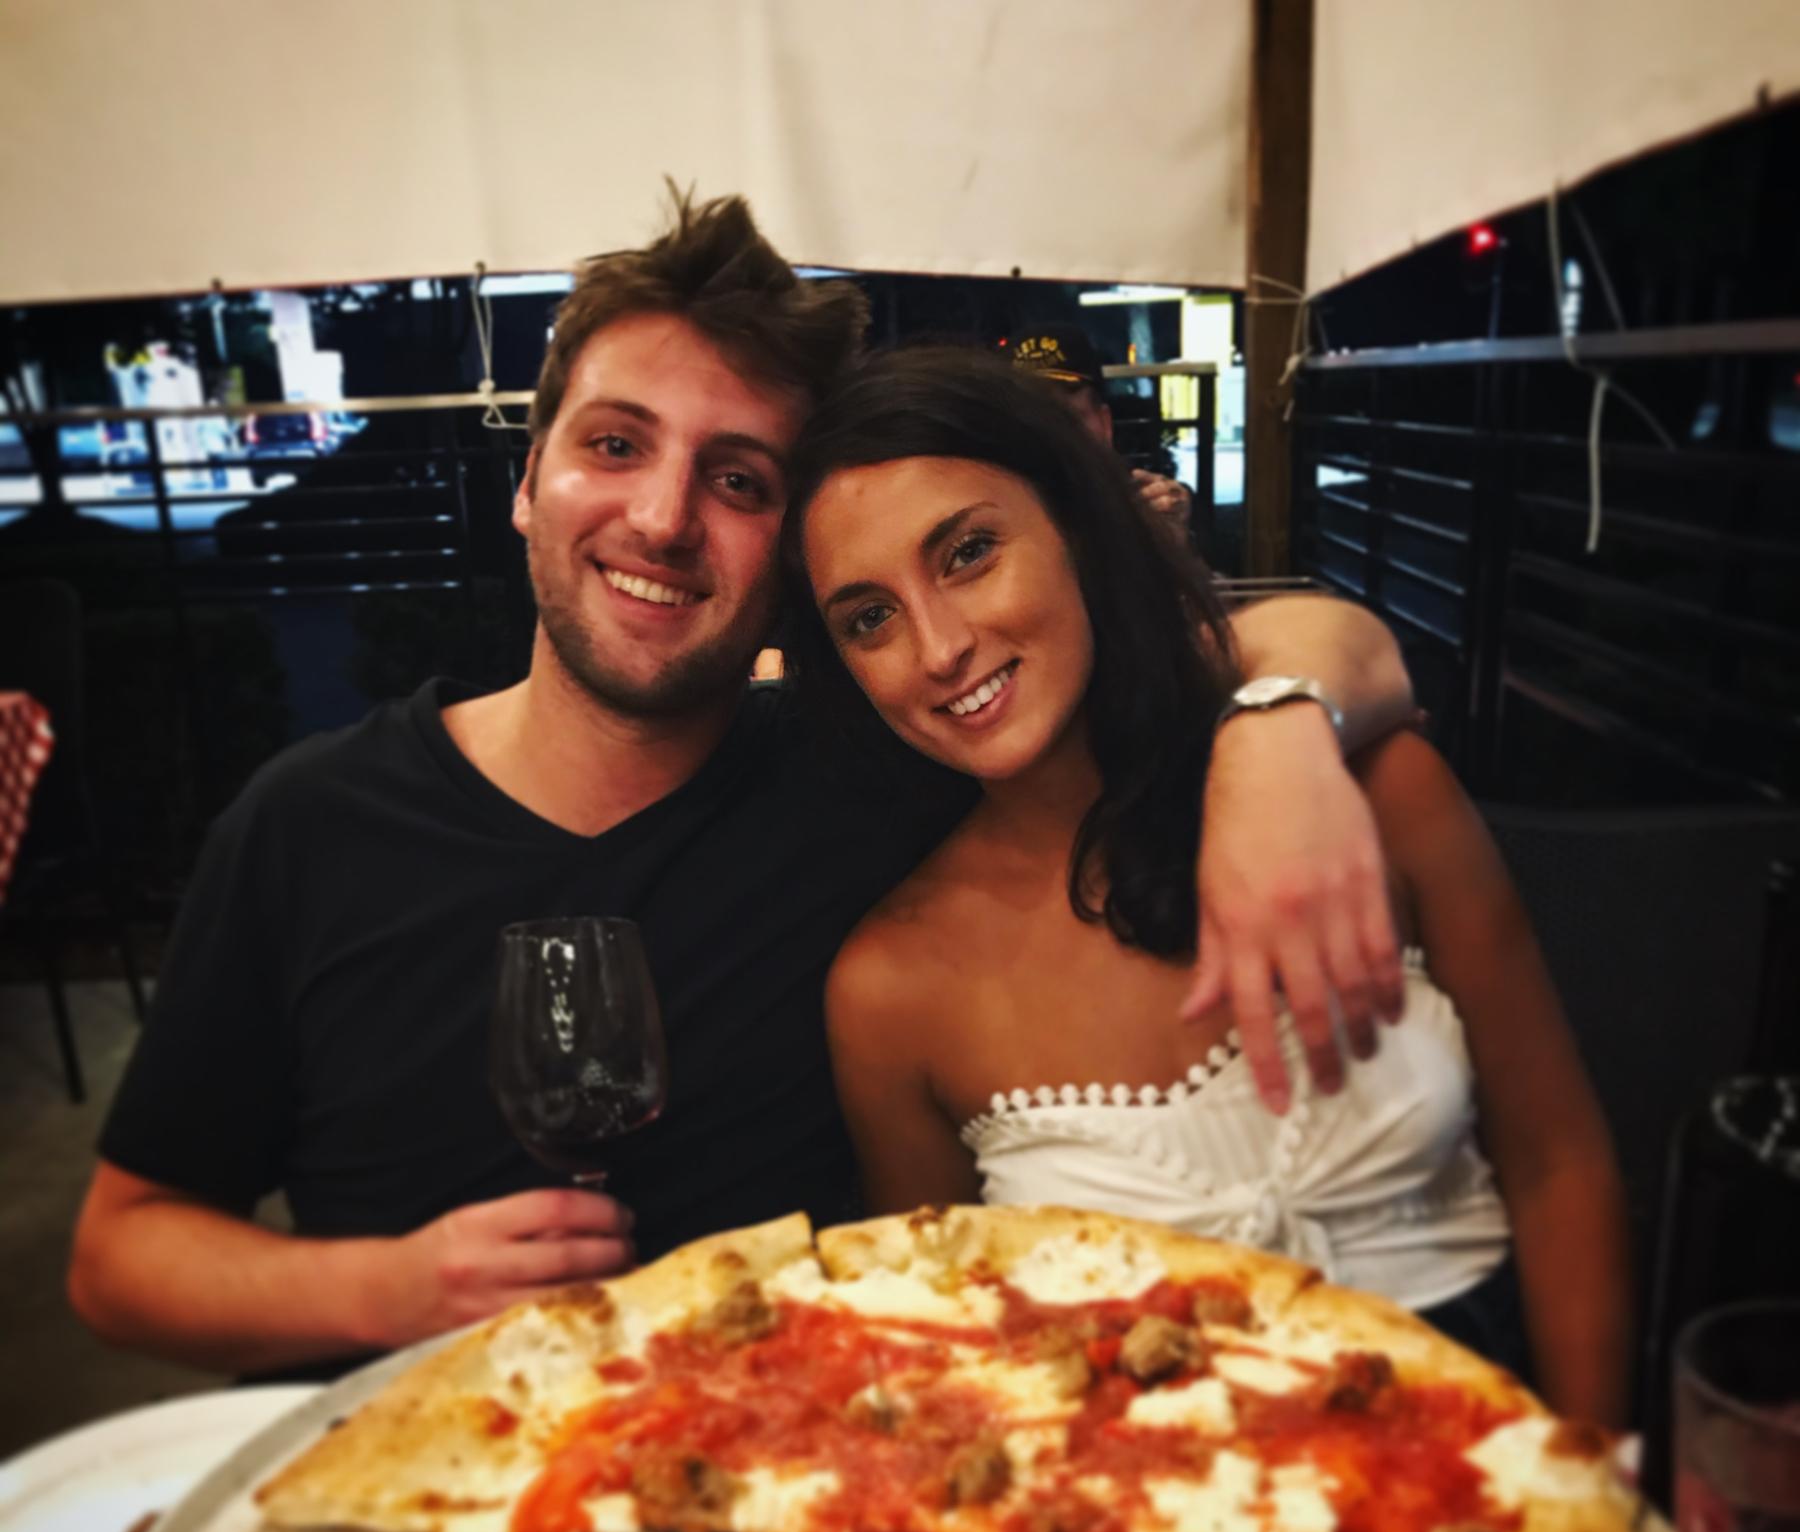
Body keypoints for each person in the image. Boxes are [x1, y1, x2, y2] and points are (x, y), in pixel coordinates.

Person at [68, 193, 1417, 1377]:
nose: (663, 519)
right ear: (529, 482)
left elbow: (1284, 643)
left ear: (795, 561)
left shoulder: (881, 769)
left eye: (737, 479)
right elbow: (121, 1258)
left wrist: (1276, 736)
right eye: (615, 446)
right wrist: (391, 1290)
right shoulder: (310, 827)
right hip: (410, 1495)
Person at [780, 347, 1631, 1424]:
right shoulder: (889, 988)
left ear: (1077, 527)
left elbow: (1558, 1165)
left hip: (1487, 1466)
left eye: (969, 553)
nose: (939, 648)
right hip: (1137, 1506)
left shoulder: (1375, 793)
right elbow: (947, 1345)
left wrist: (1591, 1474)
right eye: (869, 618)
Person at [1010, 325, 1193, 536]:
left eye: (1071, 419)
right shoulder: (998, 521)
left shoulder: (1152, 505)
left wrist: (1174, 539)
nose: (1055, 437)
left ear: (1104, 423)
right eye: (1033, 423)